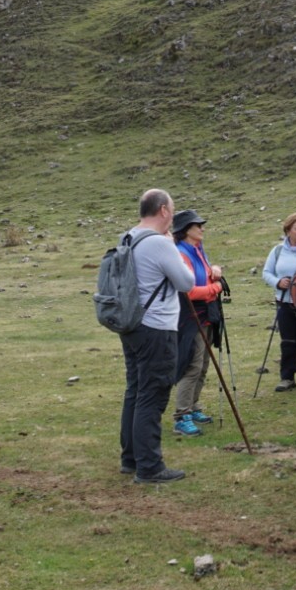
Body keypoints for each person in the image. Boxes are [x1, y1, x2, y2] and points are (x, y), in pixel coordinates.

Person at [118, 190, 196, 483]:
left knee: (135, 390)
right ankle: (150, 467)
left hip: (131, 325)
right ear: (163, 210)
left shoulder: (128, 237)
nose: (173, 217)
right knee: (152, 394)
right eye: (172, 211)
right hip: (157, 328)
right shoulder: (159, 243)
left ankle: (130, 458)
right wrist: (172, 247)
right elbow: (186, 282)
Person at [172, 210, 225, 436]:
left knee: (203, 364)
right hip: (191, 317)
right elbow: (190, 291)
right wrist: (216, 287)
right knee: (192, 366)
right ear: (186, 230)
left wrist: (215, 272)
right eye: (197, 225)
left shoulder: (197, 249)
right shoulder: (182, 254)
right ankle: (181, 415)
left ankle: (192, 406)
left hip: (206, 315)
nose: (202, 228)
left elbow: (204, 276)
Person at [262, 213, 296, 392]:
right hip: (284, 301)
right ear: (288, 231)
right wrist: (278, 282)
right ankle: (287, 377)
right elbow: (266, 272)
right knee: (288, 340)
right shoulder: (278, 250)